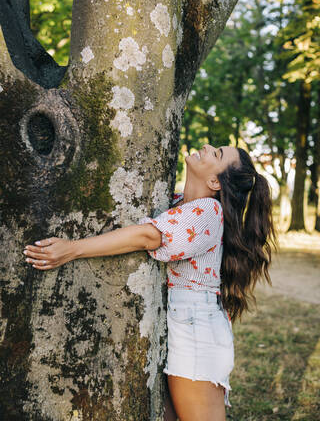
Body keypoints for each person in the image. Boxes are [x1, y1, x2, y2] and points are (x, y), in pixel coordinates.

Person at [23, 144, 276, 421]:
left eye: (217, 154)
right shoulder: (181, 201)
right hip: (187, 325)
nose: (207, 146)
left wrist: (73, 249)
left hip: (196, 333)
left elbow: (148, 237)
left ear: (215, 181)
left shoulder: (208, 211)